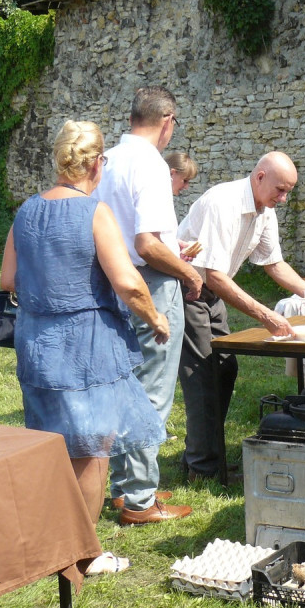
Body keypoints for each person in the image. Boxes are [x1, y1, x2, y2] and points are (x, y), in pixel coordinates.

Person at [0, 120, 182, 568]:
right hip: (88, 346)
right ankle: (84, 553)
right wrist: (156, 317)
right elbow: (127, 282)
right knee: (92, 451)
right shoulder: (94, 212)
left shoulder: (26, 210)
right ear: (97, 164)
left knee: (55, 445)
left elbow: (8, 279)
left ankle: (52, 540)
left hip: (37, 341)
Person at [176, 151, 305, 482]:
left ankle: (204, 454)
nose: (284, 198)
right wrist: (266, 316)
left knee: (225, 366)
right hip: (186, 289)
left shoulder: (265, 210)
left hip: (210, 290)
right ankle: (202, 468)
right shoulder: (222, 203)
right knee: (203, 372)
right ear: (259, 177)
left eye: (288, 191)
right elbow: (215, 274)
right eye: (280, 189)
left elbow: (273, 263)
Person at [92, 86, 203, 524]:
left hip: (109, 279)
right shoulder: (153, 166)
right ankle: (140, 499)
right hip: (150, 282)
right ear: (168, 121)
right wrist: (188, 271)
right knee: (151, 391)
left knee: (123, 385)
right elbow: (148, 244)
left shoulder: (109, 159)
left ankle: (126, 487)